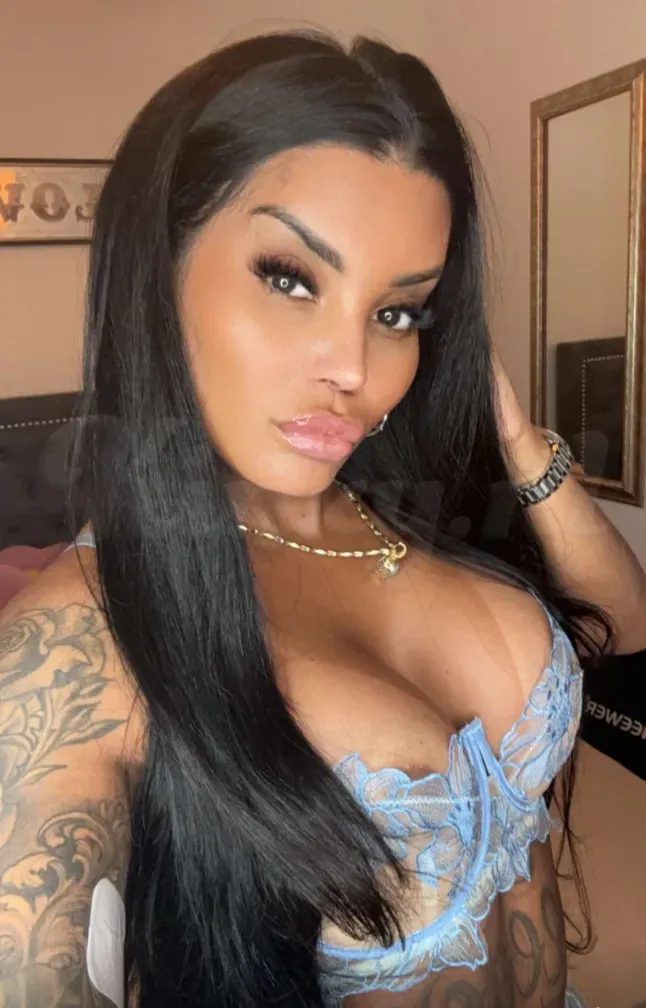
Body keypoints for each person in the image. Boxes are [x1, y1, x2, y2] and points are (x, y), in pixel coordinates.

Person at [1, 29, 644, 1008]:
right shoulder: (76, 647)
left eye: (399, 312)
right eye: (291, 278)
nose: (355, 369)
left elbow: (623, 627)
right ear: (158, 270)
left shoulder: (416, 506)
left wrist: (516, 440)